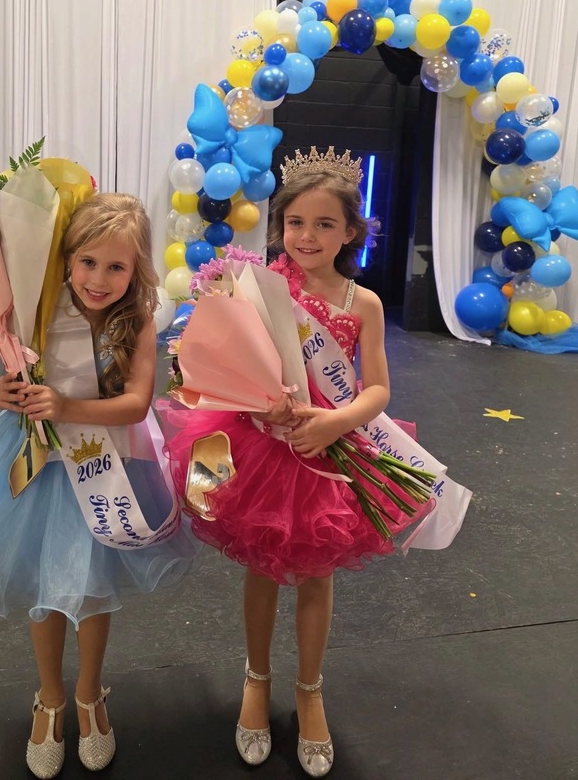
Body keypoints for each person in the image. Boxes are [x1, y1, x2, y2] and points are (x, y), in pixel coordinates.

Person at [0, 192, 196, 779]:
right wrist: (2, 394)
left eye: (116, 266)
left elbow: (138, 404)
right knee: (44, 584)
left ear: (136, 268)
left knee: (90, 590)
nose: (98, 278)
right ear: (65, 259)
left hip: (110, 463)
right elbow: (11, 377)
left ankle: (89, 694)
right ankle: (50, 697)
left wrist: (66, 403)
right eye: (87, 261)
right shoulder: (37, 309)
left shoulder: (137, 321)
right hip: (39, 465)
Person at [163, 148, 433, 778]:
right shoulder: (256, 287)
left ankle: (309, 690)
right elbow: (218, 365)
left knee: (317, 575)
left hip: (329, 452)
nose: (308, 237)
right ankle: (257, 680)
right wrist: (262, 410)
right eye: (296, 223)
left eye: (325, 225)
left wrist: (338, 420)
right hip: (258, 449)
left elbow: (377, 390)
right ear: (279, 224)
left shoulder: (362, 303)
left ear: (350, 232)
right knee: (262, 567)